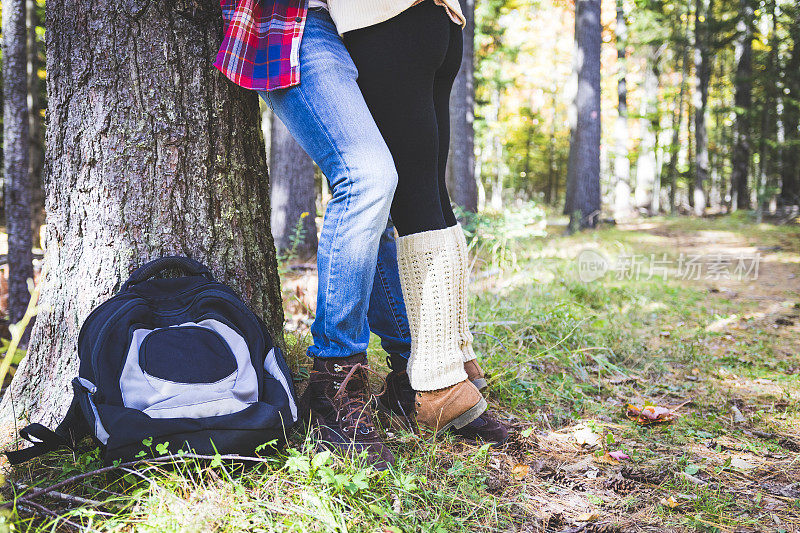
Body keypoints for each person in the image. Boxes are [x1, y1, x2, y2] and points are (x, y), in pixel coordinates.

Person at [214, 0, 506, 471]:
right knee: (367, 178)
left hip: (351, 23)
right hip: (291, 25)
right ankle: (333, 383)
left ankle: (414, 370)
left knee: (388, 194)